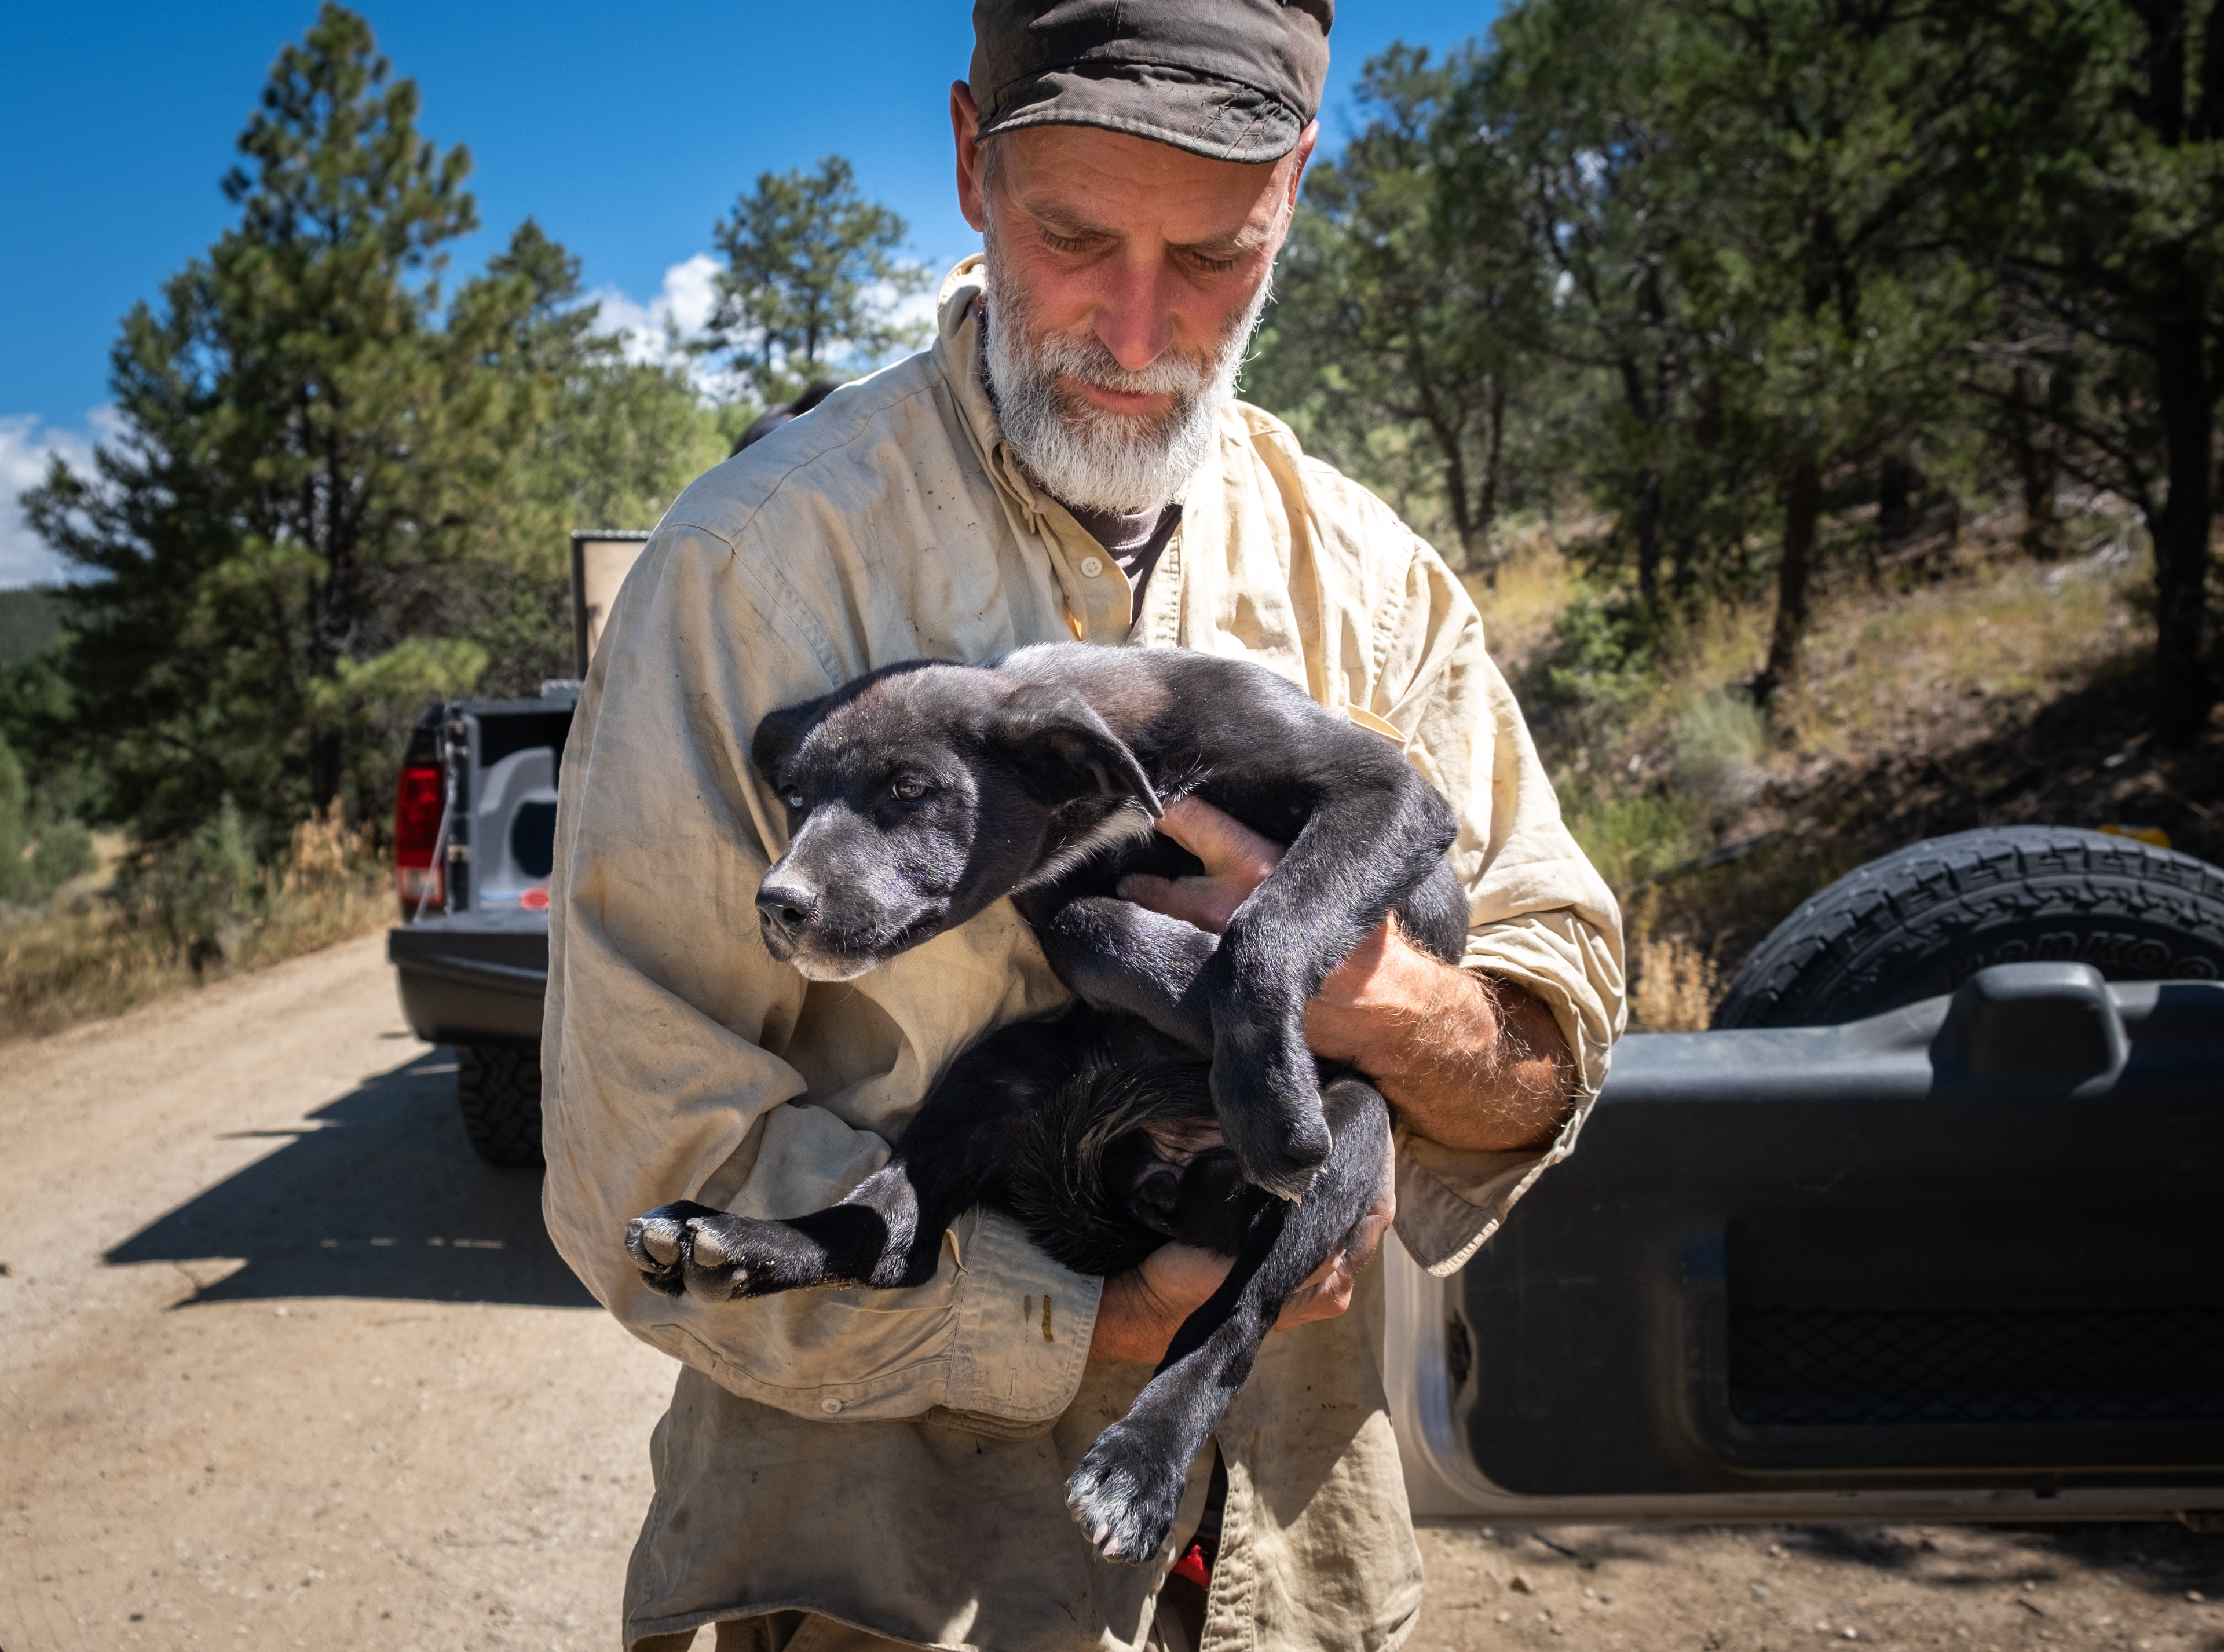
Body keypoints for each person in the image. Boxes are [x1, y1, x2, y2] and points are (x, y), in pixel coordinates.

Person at [542, 3, 1626, 1647]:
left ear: (1297, 190)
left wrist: (1375, 1002)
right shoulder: (754, 573)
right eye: (1072, 235)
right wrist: (1095, 1319)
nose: (1137, 324)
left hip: (1296, 1597)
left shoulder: (1380, 588)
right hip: (873, 1598)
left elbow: (1555, 1035)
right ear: (973, 161)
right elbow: (650, 1174)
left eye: (1214, 255)